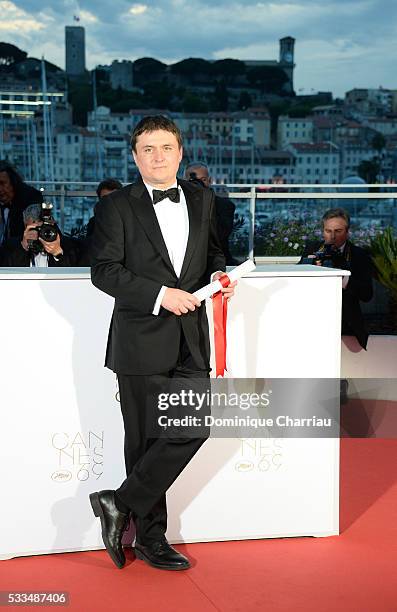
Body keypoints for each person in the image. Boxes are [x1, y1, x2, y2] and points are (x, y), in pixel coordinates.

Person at [89, 116, 236, 571]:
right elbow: (105, 271)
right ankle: (152, 539)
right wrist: (158, 296)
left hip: (192, 338)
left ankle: (119, 501)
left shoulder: (204, 199)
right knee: (145, 440)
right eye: (147, 149)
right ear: (135, 156)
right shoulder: (116, 207)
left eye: (166, 147)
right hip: (139, 340)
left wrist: (217, 277)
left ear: (180, 152)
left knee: (195, 426)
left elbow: (212, 254)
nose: (157, 156)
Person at [299, 207, 373, 349]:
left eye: (338, 231)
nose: (332, 237)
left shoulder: (359, 255)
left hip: (345, 321)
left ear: (347, 232)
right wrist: (309, 268)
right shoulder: (312, 249)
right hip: (313, 316)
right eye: (328, 231)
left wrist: (343, 278)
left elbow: (367, 294)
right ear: (323, 231)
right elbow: (297, 278)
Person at [184, 162, 236, 264]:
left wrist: (204, 203)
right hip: (187, 264)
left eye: (203, 180)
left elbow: (220, 236)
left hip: (217, 262)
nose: (198, 184)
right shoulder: (176, 205)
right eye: (192, 181)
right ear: (184, 182)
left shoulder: (225, 206)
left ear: (210, 181)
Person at [0, 203, 81, 267]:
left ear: (51, 225)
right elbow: (10, 274)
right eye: (35, 229)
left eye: (43, 229)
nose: (39, 235)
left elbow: (70, 276)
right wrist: (23, 248)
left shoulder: (67, 245)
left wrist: (57, 253)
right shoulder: (11, 246)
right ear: (25, 227)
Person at [80, 179, 123, 265]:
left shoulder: (130, 220)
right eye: (105, 199)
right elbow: (89, 249)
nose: (109, 203)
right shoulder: (94, 222)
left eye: (113, 198)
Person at [0, 161, 43, 244]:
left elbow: (30, 233)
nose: (0, 189)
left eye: (2, 183)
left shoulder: (30, 197)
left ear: (13, 182)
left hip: (21, 250)